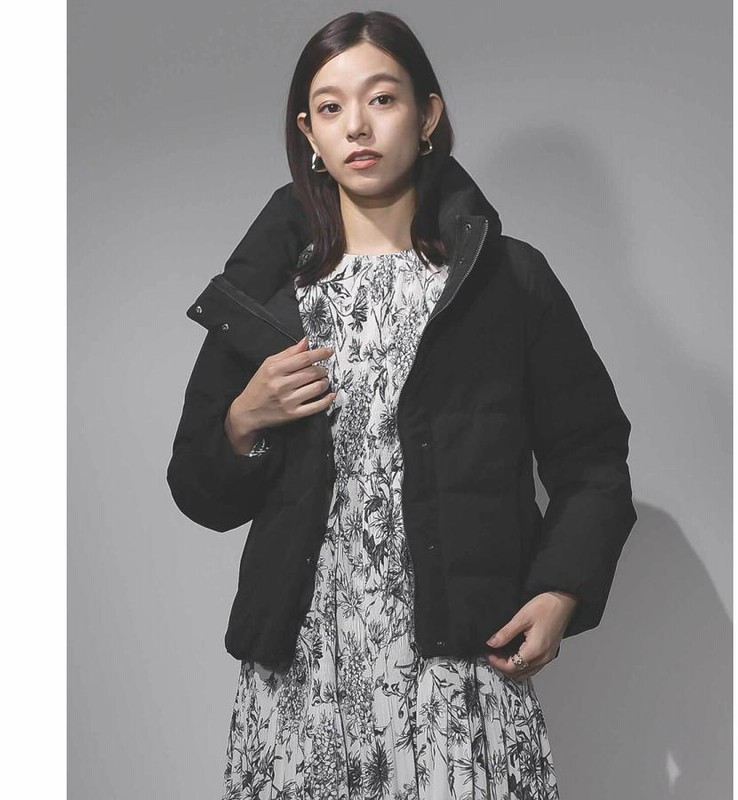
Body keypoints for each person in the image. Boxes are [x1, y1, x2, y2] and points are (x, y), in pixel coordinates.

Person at [167, 10, 636, 799]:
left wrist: (561, 590)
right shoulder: (267, 302)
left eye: (381, 99)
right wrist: (244, 419)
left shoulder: (506, 284)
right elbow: (197, 489)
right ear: (309, 134)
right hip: (304, 687)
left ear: (427, 115)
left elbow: (592, 459)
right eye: (330, 108)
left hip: (458, 681)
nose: (357, 125)